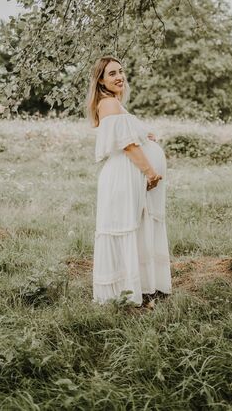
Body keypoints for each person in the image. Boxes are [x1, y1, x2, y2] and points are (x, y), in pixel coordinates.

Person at [86, 55, 172, 307]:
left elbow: (128, 136)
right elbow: (127, 144)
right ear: (101, 80)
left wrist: (146, 136)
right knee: (124, 227)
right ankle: (123, 293)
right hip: (123, 176)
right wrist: (150, 172)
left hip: (127, 175)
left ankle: (137, 288)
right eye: (112, 73)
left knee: (134, 227)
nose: (119, 76)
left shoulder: (114, 104)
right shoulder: (109, 104)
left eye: (121, 71)